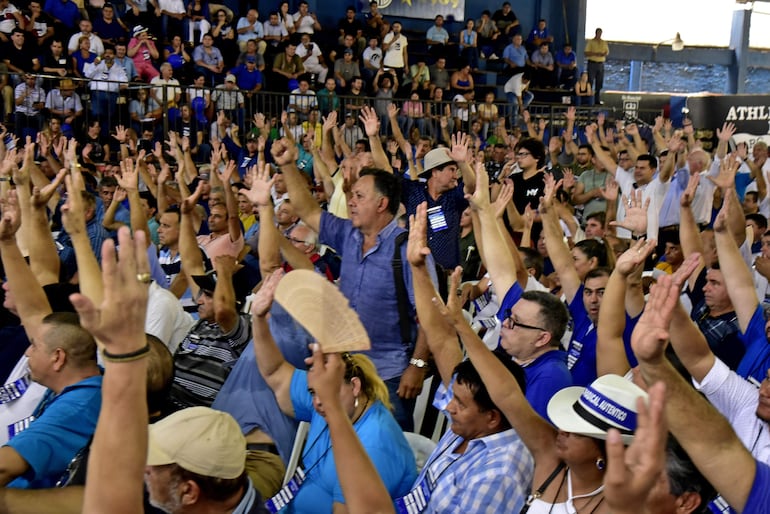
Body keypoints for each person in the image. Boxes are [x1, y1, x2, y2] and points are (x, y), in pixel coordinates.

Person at [271, 138, 433, 431]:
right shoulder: (349, 234)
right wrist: (287, 165)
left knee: (382, 458)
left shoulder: (407, 250)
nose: (351, 201)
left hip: (389, 374)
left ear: (382, 204)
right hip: (344, 367)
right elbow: (308, 211)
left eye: (359, 196)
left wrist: (417, 367)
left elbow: (431, 319)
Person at [251, 270, 416, 512]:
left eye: (324, 393)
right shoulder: (330, 400)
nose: (317, 402)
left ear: (355, 386)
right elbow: (275, 372)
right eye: (313, 392)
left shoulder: (374, 443)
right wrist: (258, 318)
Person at [585, 28, 608, 104]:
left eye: (600, 33)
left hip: (600, 64)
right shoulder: (591, 42)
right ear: (595, 33)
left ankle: (597, 100)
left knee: (599, 82)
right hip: (592, 63)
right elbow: (586, 53)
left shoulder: (604, 42)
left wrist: (602, 54)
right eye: (598, 33)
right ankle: (588, 99)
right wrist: (596, 54)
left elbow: (606, 52)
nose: (599, 35)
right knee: (590, 81)